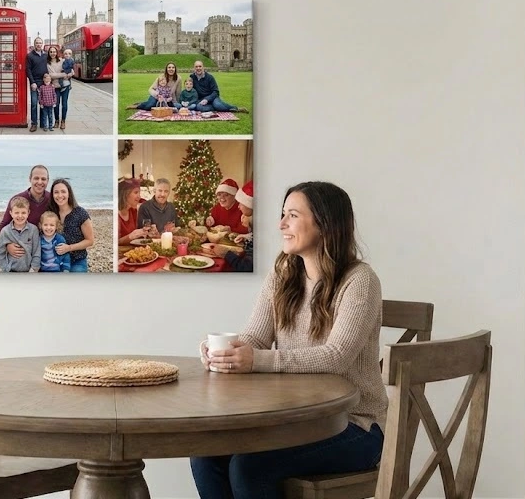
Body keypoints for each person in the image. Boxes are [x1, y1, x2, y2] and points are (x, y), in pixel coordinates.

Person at [191, 181, 385, 498]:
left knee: (250, 468)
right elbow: (255, 337)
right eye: (283, 214)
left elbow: (336, 357)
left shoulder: (359, 281)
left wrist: (257, 360)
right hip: (296, 421)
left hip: (354, 425)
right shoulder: (283, 273)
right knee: (206, 454)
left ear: (325, 224)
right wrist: (227, 352)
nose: (281, 224)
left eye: (292, 215)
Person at [0, 165, 52, 262]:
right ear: (30, 179)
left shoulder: (52, 199)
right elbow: (3, 225)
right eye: (36, 178)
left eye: (43, 179)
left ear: (48, 181)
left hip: (47, 249)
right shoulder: (17, 199)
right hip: (23, 251)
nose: (40, 182)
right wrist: (7, 245)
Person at [49, 178, 94, 272]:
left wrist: (69, 248)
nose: (60, 195)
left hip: (77, 260)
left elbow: (90, 241)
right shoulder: (51, 213)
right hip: (56, 260)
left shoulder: (80, 213)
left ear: (69, 193)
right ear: (52, 195)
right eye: (56, 192)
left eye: (63, 192)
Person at [0, 196, 40, 273]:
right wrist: (6, 268)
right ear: (11, 213)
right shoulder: (5, 231)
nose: (20, 216)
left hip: (29, 271)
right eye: (16, 212)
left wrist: (33, 269)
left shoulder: (34, 230)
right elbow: (0, 253)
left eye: (23, 212)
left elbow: (37, 252)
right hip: (11, 271)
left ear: (28, 213)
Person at [45, 46, 73, 130]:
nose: (53, 53)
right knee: (56, 105)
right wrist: (63, 74)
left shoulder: (62, 60)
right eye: (51, 52)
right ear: (49, 53)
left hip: (65, 85)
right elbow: (51, 75)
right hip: (55, 86)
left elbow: (71, 70)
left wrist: (70, 74)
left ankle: (63, 121)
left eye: (54, 52)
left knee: (64, 104)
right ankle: (56, 120)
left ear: (57, 53)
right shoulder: (47, 63)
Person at [25, 37, 48, 132]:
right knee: (34, 104)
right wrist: (32, 82)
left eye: (40, 43)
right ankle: (34, 124)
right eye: (37, 43)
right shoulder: (30, 56)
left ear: (42, 44)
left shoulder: (46, 55)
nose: (39, 44)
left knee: (43, 103)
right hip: (34, 83)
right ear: (34, 44)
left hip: (44, 83)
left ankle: (43, 123)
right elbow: (28, 70)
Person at [117, 179, 148, 244]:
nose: (139, 196)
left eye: (139, 193)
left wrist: (147, 232)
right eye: (136, 192)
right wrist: (130, 236)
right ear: (125, 194)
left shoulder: (133, 211)